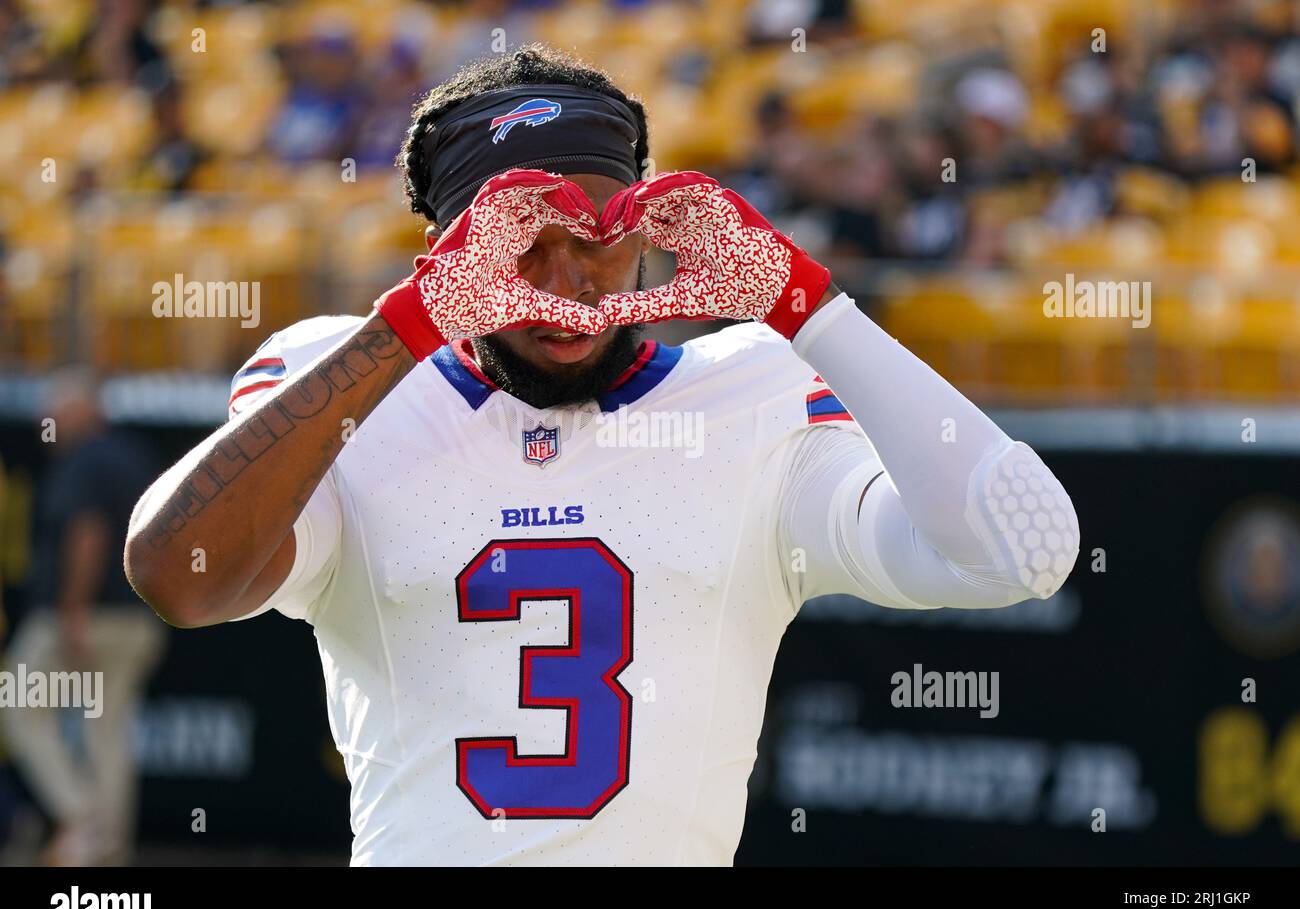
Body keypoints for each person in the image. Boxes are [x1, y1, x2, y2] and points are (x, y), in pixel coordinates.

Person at [125, 45, 1080, 866]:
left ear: (645, 228)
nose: (567, 280)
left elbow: (1019, 553)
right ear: (440, 254)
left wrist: (808, 305)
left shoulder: (748, 390)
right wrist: (405, 328)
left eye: (596, 236)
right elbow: (181, 576)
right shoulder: (346, 383)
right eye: (516, 246)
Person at [2, 368, 165, 866]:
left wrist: (74, 609)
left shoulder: (85, 460)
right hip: (140, 622)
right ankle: (105, 847)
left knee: (16, 701)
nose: (44, 422)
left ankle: (82, 817)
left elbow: (88, 534)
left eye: (54, 410)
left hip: (85, 616)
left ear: (83, 410)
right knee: (107, 730)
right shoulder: (137, 457)